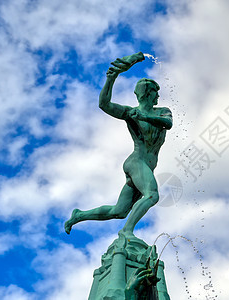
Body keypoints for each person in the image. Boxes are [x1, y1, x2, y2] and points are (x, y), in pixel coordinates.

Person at [64, 52, 172, 235]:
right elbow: (104, 104)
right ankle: (126, 232)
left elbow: (168, 123)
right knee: (152, 195)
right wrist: (112, 78)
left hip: (146, 166)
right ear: (147, 93)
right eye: (155, 92)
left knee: (119, 211)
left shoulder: (162, 111)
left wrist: (144, 116)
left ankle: (79, 215)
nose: (158, 97)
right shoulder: (130, 113)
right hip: (136, 162)